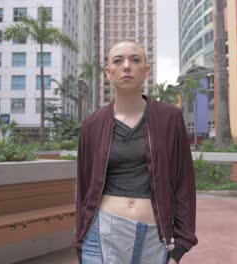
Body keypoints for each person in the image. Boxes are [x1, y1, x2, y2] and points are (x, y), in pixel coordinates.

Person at [71, 40, 198, 264]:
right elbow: (84, 186)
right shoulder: (92, 124)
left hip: (154, 237)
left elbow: (184, 181)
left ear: (146, 71)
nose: (126, 66)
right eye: (118, 61)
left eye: (135, 59)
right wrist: (81, 238)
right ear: (109, 72)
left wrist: (183, 240)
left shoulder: (170, 118)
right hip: (103, 234)